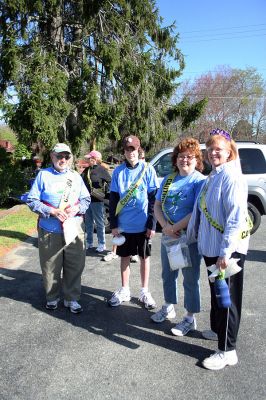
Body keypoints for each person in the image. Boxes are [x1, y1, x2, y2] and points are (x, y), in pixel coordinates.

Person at [187, 128, 251, 370]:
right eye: (210, 148)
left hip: (226, 251)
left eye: (219, 149)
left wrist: (226, 252)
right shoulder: (213, 176)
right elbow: (201, 211)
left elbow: (235, 217)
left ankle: (228, 351)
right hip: (211, 249)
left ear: (229, 152)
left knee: (227, 300)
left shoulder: (231, 176)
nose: (213, 152)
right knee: (218, 296)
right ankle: (218, 332)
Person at [26, 143, 90, 313]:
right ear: (52, 157)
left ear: (70, 158)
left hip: (74, 228)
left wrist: (77, 208)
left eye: (66, 157)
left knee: (75, 265)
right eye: (59, 156)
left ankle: (72, 298)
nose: (63, 160)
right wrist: (51, 211)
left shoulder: (76, 177)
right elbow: (32, 200)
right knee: (50, 266)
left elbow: (86, 199)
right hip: (50, 230)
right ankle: (52, 297)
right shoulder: (43, 175)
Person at [151, 138, 205, 336]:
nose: (185, 160)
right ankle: (168, 306)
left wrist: (175, 227)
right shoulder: (168, 180)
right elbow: (157, 206)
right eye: (181, 156)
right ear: (175, 159)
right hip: (169, 237)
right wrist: (165, 226)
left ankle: (190, 318)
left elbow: (196, 211)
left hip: (188, 237)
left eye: (189, 157)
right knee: (168, 274)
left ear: (197, 159)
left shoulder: (200, 181)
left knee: (190, 278)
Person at [108, 135, 159, 308]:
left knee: (144, 257)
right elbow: (113, 199)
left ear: (139, 150)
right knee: (124, 257)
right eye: (128, 149)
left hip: (142, 224)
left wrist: (152, 224)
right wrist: (113, 225)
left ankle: (144, 291)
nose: (131, 153)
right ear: (124, 151)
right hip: (124, 225)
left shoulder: (148, 169)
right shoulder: (118, 171)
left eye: (134, 149)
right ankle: (125, 290)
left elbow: (154, 199)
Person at [81, 150, 111, 253]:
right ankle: (89, 242)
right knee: (88, 223)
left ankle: (102, 243)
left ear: (95, 159)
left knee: (99, 223)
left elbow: (110, 181)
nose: (87, 160)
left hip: (98, 200)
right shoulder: (86, 170)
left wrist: (106, 194)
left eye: (89, 158)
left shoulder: (102, 170)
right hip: (87, 201)